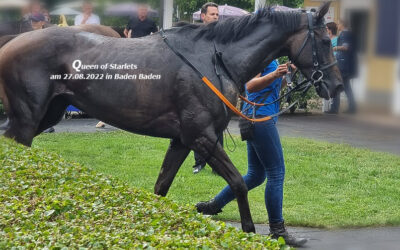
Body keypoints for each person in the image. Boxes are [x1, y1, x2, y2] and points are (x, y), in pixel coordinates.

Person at [196, 61, 307, 247]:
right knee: (276, 173)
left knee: (255, 175)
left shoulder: (272, 60)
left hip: (254, 119)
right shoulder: (264, 58)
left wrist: (283, 77)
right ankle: (277, 230)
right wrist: (274, 74)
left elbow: (268, 89)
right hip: (261, 120)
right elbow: (250, 86)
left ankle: (213, 205)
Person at [192, 2, 221, 174]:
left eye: (217, 14)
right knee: (197, 125)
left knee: (218, 125)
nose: (216, 17)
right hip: (197, 87)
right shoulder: (195, 36)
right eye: (212, 14)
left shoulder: (221, 37)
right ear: (203, 17)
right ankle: (199, 162)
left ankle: (217, 166)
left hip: (217, 88)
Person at [326, 19, 357, 114]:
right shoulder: (347, 34)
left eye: (339, 24)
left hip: (342, 64)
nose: (337, 26)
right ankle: (352, 107)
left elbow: (345, 47)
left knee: (336, 85)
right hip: (345, 64)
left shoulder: (345, 34)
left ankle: (335, 108)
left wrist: (334, 48)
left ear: (342, 24)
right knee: (346, 87)